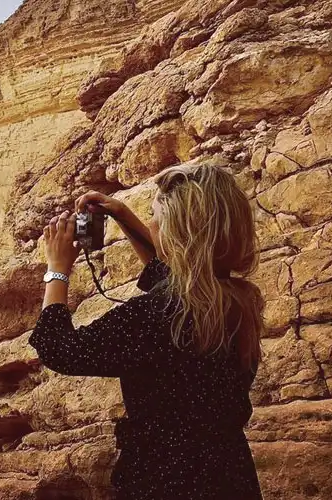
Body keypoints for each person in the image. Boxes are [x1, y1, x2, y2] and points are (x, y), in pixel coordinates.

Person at [29, 163, 264, 499]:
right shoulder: (238, 303)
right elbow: (171, 275)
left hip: (162, 481)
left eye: (156, 217)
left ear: (177, 232)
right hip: (230, 477)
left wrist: (57, 270)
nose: (152, 224)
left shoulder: (155, 315)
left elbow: (58, 348)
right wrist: (123, 215)